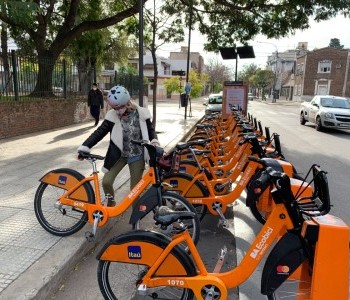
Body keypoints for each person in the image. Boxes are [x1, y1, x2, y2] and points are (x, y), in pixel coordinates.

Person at [78, 85, 159, 207]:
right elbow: (99, 133)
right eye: (114, 108)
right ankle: (111, 203)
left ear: (127, 102)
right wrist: (85, 146)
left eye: (119, 107)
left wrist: (154, 142)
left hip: (137, 155)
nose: (117, 111)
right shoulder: (112, 116)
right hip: (119, 155)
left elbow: (151, 130)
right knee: (106, 182)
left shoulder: (142, 114)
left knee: (134, 191)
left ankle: (135, 220)